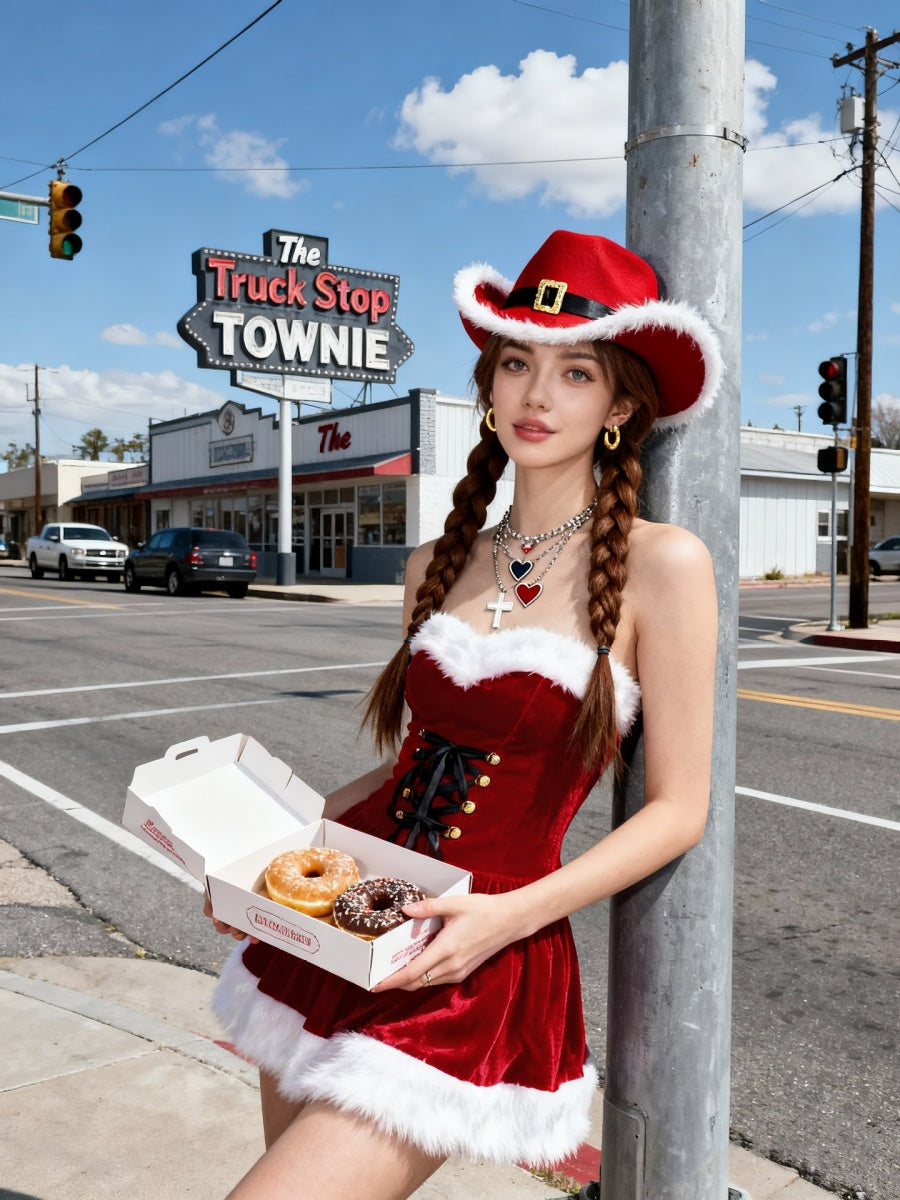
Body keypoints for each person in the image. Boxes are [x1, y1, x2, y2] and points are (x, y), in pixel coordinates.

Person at [206, 229, 721, 1200]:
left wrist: (506, 920)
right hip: (346, 921)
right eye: (518, 362)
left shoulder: (666, 565)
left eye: (576, 372)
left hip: (480, 955)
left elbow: (678, 809)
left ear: (619, 405)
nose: (536, 394)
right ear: (487, 383)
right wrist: (266, 861)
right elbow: (403, 772)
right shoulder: (435, 565)